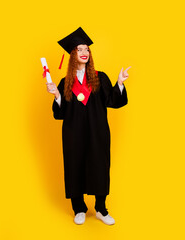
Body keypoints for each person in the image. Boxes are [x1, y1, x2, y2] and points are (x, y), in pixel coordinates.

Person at [46, 27, 130, 225]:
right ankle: (79, 209)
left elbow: (113, 101)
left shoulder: (100, 78)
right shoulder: (65, 82)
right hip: (73, 132)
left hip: (97, 131)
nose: (84, 52)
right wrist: (57, 96)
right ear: (73, 55)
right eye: (79, 49)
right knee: (74, 164)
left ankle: (101, 209)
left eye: (86, 49)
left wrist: (119, 83)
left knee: (99, 165)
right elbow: (60, 113)